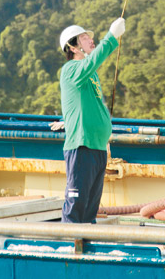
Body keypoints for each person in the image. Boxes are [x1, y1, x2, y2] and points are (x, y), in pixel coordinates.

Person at [58, 17, 126, 223]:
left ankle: (85, 249)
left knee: (90, 208)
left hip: (97, 148)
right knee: (76, 206)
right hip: (82, 146)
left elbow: (82, 102)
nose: (90, 40)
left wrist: (67, 119)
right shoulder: (71, 69)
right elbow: (94, 60)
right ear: (73, 46)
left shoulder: (89, 73)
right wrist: (111, 37)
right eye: (84, 37)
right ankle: (68, 248)